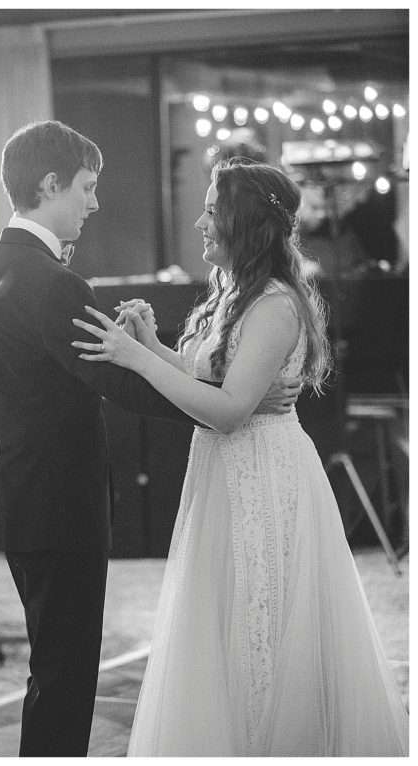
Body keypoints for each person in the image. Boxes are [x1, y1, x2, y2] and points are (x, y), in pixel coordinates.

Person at [0, 120, 300, 757]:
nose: (94, 203)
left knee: (52, 671)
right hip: (61, 504)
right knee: (65, 678)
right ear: (50, 184)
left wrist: (194, 376)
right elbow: (121, 383)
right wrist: (239, 404)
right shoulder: (52, 282)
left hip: (24, 496)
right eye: (86, 188)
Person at [72, 158, 409, 756]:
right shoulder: (234, 293)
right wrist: (152, 345)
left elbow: (227, 410)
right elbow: (213, 380)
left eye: (212, 211)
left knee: (264, 621)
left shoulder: (275, 304)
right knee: (222, 618)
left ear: (244, 224)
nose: (200, 222)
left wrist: (135, 358)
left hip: (264, 477)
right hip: (222, 472)